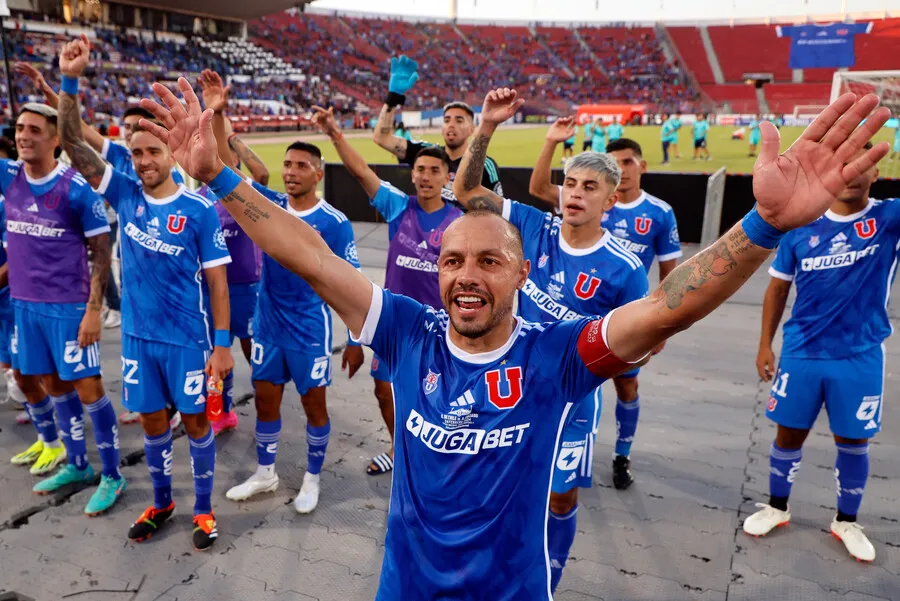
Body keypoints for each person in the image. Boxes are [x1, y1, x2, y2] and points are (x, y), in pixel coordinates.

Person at [139, 77, 889, 600]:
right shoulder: (406, 329)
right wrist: (220, 180)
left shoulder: (557, 356)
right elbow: (308, 253)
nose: (467, 276)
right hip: (402, 589)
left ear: (522, 270)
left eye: (489, 261)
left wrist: (762, 225)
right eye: (453, 261)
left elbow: (665, 308)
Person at [461, 111, 649, 593]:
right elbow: (465, 193)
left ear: (610, 199)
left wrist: (600, 359)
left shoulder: (624, 268)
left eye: (589, 187)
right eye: (570, 183)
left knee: (560, 497)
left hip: (570, 399)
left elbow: (645, 342)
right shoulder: (532, 225)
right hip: (507, 385)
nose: (575, 194)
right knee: (497, 486)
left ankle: (550, 580)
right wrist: (486, 128)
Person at [57, 36, 233, 550]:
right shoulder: (124, 191)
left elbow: (218, 283)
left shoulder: (198, 209)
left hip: (188, 343)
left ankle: (203, 509)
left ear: (169, 154)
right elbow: (72, 142)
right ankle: (162, 502)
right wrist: (69, 80)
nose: (143, 160)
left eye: (152, 151)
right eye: (135, 152)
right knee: (153, 423)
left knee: (197, 421)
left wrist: (222, 345)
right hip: (137, 340)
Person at [745, 143, 899, 563]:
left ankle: (846, 520)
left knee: (853, 440)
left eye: (861, 167)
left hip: (860, 354)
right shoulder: (801, 226)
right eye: (843, 166)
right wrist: (765, 343)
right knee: (787, 433)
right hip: (801, 352)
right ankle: (777, 507)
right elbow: (778, 287)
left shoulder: (890, 217)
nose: (850, 175)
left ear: (877, 172)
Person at [208, 128, 363, 509]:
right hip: (267, 327)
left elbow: (352, 282)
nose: (291, 171)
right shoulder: (268, 205)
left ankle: (311, 479)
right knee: (265, 403)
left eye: (301, 166)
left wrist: (357, 339)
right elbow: (226, 170)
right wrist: (218, 114)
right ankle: (266, 473)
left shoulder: (334, 222)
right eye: (287, 164)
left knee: (314, 408)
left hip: (309, 329)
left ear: (318, 174)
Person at [310, 104, 463, 476]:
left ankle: (440, 454)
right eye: (421, 170)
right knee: (384, 391)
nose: (426, 177)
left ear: (446, 177)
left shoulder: (460, 220)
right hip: (395, 324)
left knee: (441, 397)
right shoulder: (398, 207)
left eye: (435, 171)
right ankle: (399, 450)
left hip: (439, 327)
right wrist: (334, 134)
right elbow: (361, 172)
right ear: (412, 175)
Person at [531, 133, 682, 489]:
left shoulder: (658, 213)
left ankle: (621, 454)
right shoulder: (582, 195)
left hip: (625, 311)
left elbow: (671, 271)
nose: (622, 169)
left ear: (641, 166)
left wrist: (661, 324)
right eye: (615, 162)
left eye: (627, 162)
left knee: (627, 388)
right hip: (576, 313)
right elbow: (539, 188)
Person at [1, 102, 125, 516]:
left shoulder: (76, 189)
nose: (23, 136)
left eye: (34, 130)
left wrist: (93, 310)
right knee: (52, 385)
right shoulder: (10, 176)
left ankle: (111, 474)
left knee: (88, 389)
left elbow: (101, 250)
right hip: (25, 305)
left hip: (68, 308)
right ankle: (77, 465)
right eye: (19, 128)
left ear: (55, 139)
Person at [197, 69, 269, 434]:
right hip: (214, 291)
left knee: (251, 351)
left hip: (247, 288)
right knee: (217, 353)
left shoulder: (239, 191)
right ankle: (222, 410)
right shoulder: (199, 200)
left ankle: (265, 401)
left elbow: (232, 163)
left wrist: (219, 115)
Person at [372, 55, 503, 203]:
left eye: (459, 120)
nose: (451, 124)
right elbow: (381, 138)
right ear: (442, 128)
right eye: (447, 120)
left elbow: (498, 210)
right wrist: (393, 96)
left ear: (472, 129)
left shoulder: (485, 165)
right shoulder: (426, 153)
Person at [0, 137, 27, 421]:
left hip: (16, 295)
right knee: (7, 358)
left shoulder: (11, 204)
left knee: (23, 361)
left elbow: (15, 257)